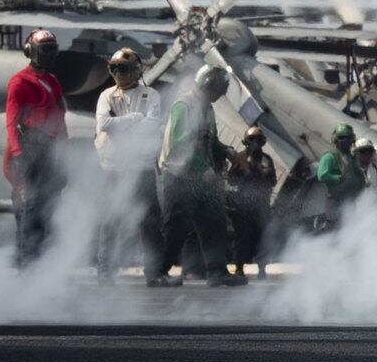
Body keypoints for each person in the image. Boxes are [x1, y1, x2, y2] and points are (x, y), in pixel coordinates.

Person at [157, 65, 241, 286]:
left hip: (202, 179)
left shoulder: (207, 108)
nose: (221, 95)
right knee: (176, 226)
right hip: (179, 177)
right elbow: (180, 145)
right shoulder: (184, 106)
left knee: (215, 223)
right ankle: (158, 273)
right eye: (220, 90)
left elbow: (208, 141)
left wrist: (227, 151)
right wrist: (204, 169)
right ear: (209, 86)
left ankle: (217, 273)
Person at [93, 47, 163, 281]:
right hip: (113, 167)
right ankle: (105, 271)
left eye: (123, 68)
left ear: (136, 70)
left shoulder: (151, 95)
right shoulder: (106, 96)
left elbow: (152, 125)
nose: (119, 73)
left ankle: (154, 272)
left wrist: (120, 125)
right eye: (115, 69)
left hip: (142, 167)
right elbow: (104, 124)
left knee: (150, 221)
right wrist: (134, 119)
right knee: (111, 218)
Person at [5, 28, 67, 267]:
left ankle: (45, 257)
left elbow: (60, 120)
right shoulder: (19, 82)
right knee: (31, 204)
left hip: (52, 149)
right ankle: (27, 260)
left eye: (52, 50)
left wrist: (64, 151)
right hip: (31, 147)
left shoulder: (52, 81)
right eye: (45, 50)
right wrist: (18, 154)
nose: (49, 55)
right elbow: (11, 122)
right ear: (30, 52)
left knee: (51, 204)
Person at [224, 126, 277, 275]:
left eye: (258, 140)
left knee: (261, 237)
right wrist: (242, 175)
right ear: (246, 142)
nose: (255, 143)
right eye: (252, 139)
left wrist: (262, 175)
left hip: (261, 205)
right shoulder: (239, 158)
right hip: (243, 206)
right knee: (242, 237)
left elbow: (273, 181)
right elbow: (231, 179)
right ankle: (239, 268)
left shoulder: (267, 159)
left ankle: (262, 269)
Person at [315, 123, 367, 220]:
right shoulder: (330, 156)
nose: (346, 140)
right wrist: (338, 178)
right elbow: (321, 175)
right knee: (337, 227)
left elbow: (356, 174)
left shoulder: (351, 157)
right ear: (336, 139)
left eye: (348, 137)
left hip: (350, 201)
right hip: (335, 202)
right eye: (342, 137)